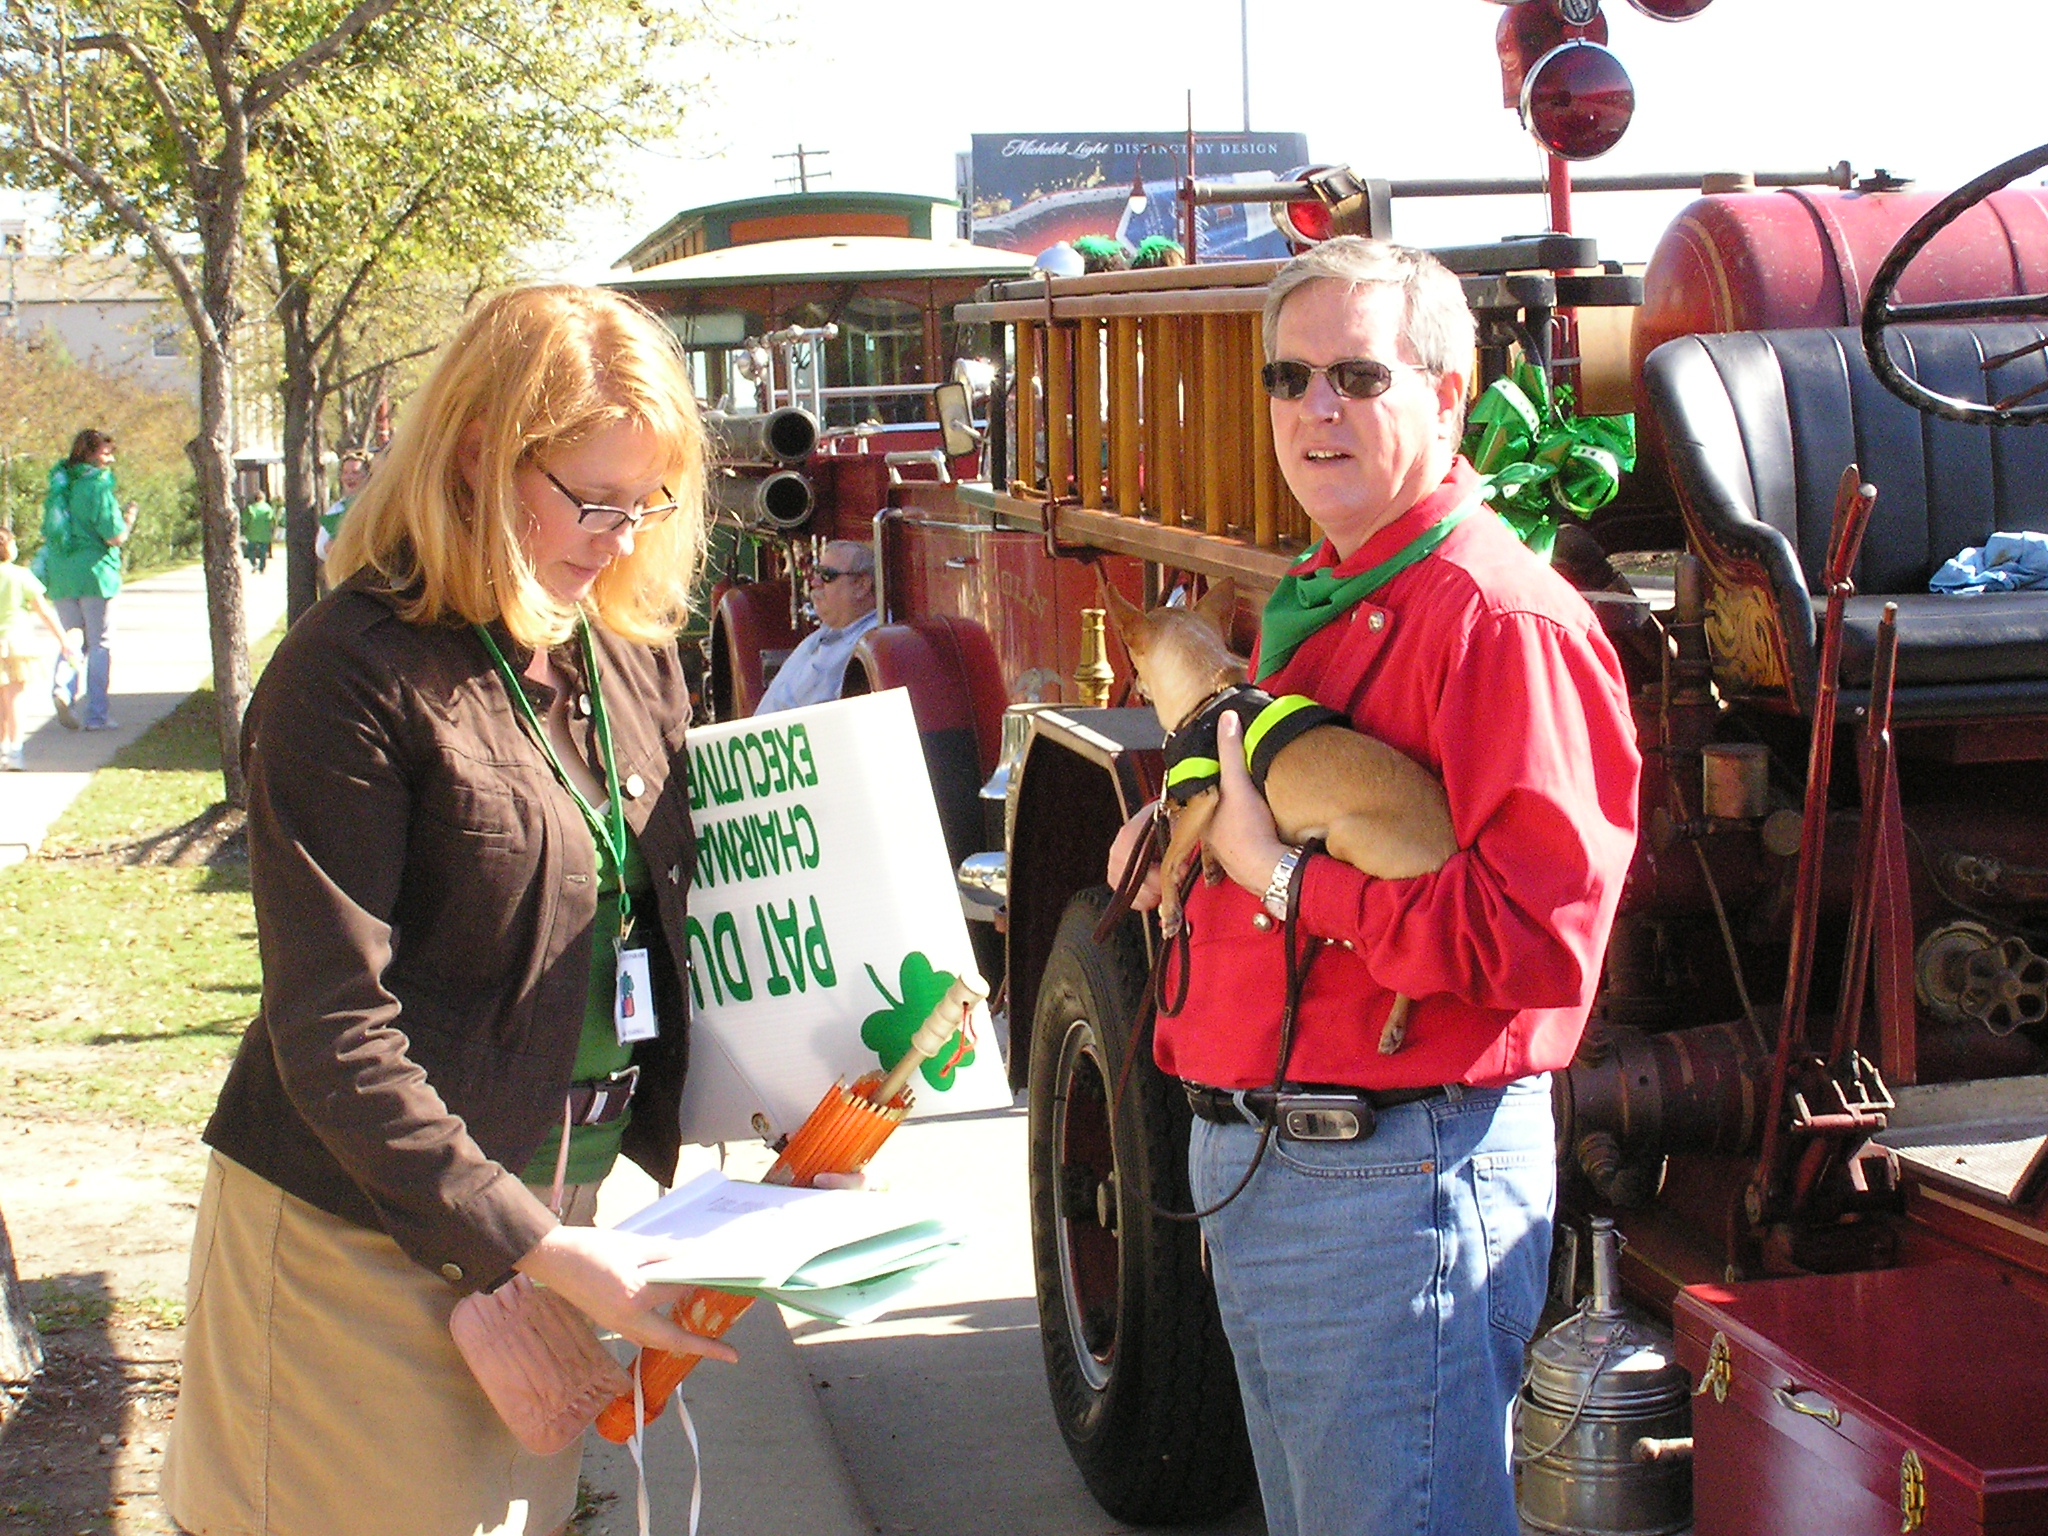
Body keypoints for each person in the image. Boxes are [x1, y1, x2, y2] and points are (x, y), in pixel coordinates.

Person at [160, 283, 740, 1536]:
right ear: (478, 452)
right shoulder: (349, 671)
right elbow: (334, 1032)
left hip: (537, 1225)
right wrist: (525, 1242)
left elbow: (682, 919)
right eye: (590, 500)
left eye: (646, 505)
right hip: (355, 1254)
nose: (618, 538)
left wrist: (852, 1039)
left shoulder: (623, 648)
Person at [1106, 237, 1640, 1536]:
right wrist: (1175, 854)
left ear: (1450, 394)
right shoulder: (1321, 608)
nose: (1314, 410)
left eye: (1357, 373)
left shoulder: (1497, 622)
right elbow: (1267, 802)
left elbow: (1537, 943)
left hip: (1398, 1182)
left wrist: (1284, 877)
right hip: (1280, 1165)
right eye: (1289, 379)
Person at [41, 429, 138, 731]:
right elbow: (114, 536)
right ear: (90, 454)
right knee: (100, 644)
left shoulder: (60, 483)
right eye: (105, 453)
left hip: (61, 571)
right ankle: (96, 715)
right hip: (96, 573)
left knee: (72, 636)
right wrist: (130, 518)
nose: (110, 459)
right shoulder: (97, 486)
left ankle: (62, 687)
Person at [752, 539, 878, 714]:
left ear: (861, 585)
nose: (815, 582)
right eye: (816, 572)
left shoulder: (868, 646)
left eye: (827, 575)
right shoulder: (826, 635)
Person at [0, 526, 83, 770]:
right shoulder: (21, 576)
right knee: (15, 700)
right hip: (17, 645)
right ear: (8, 548)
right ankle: (15, 751)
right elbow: (44, 611)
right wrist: (63, 640)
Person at [240, 490, 277, 572]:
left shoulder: (250, 508)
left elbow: (244, 521)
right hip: (265, 533)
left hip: (252, 532)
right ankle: (262, 567)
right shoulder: (268, 508)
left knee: (250, 549)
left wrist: (244, 528)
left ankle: (254, 563)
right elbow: (272, 521)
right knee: (263, 550)